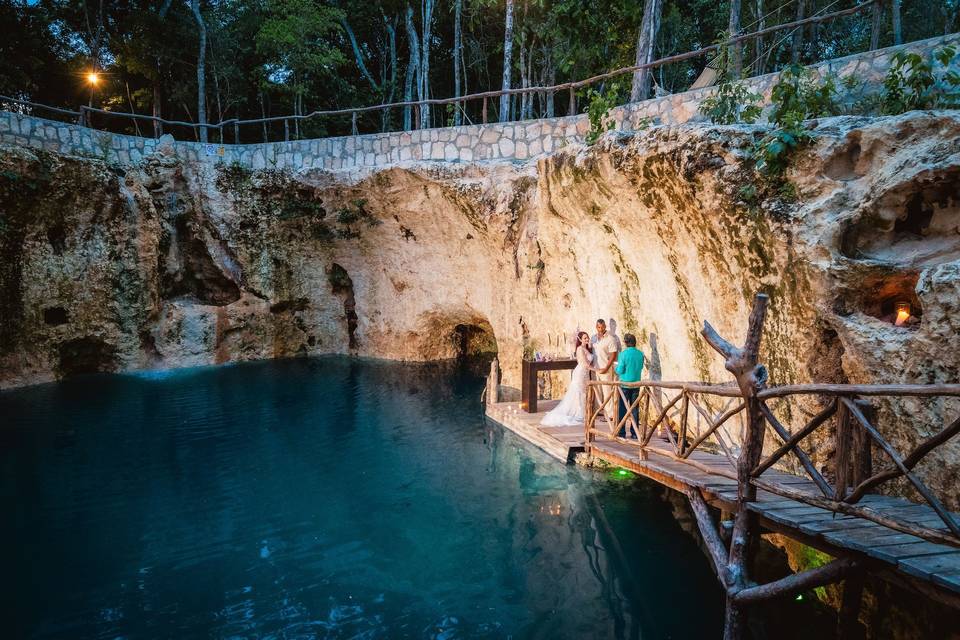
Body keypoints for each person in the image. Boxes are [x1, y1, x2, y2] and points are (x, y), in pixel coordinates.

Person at [541, 332, 595, 427]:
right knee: (579, 393)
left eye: (587, 337)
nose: (587, 339)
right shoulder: (579, 349)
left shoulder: (586, 348)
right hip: (580, 373)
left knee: (584, 393)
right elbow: (585, 364)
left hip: (586, 374)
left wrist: (590, 347)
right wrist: (597, 370)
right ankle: (580, 413)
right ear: (580, 339)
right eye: (585, 338)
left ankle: (584, 412)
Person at [615, 333, 645, 439]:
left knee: (622, 409)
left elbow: (620, 370)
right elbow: (640, 367)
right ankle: (634, 432)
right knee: (635, 409)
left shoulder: (623, 354)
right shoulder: (640, 354)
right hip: (636, 384)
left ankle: (622, 432)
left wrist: (615, 368)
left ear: (626, 342)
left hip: (625, 385)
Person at [591, 319, 619, 422]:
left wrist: (606, 368)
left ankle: (611, 414)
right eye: (598, 327)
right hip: (595, 368)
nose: (600, 329)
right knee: (597, 391)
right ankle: (600, 411)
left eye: (602, 327)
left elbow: (614, 354)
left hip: (605, 369)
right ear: (596, 327)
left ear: (605, 326)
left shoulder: (611, 338)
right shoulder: (593, 338)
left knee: (607, 391)